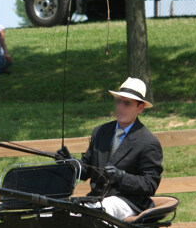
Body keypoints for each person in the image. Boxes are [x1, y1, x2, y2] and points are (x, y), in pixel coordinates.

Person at [58, 77, 163, 220]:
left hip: (128, 202)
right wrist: (70, 163)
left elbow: (150, 184)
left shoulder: (148, 142)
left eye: (127, 103)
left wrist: (121, 176)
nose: (121, 107)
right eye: (118, 101)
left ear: (140, 108)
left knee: (103, 209)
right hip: (96, 200)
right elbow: (87, 169)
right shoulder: (101, 132)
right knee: (60, 211)